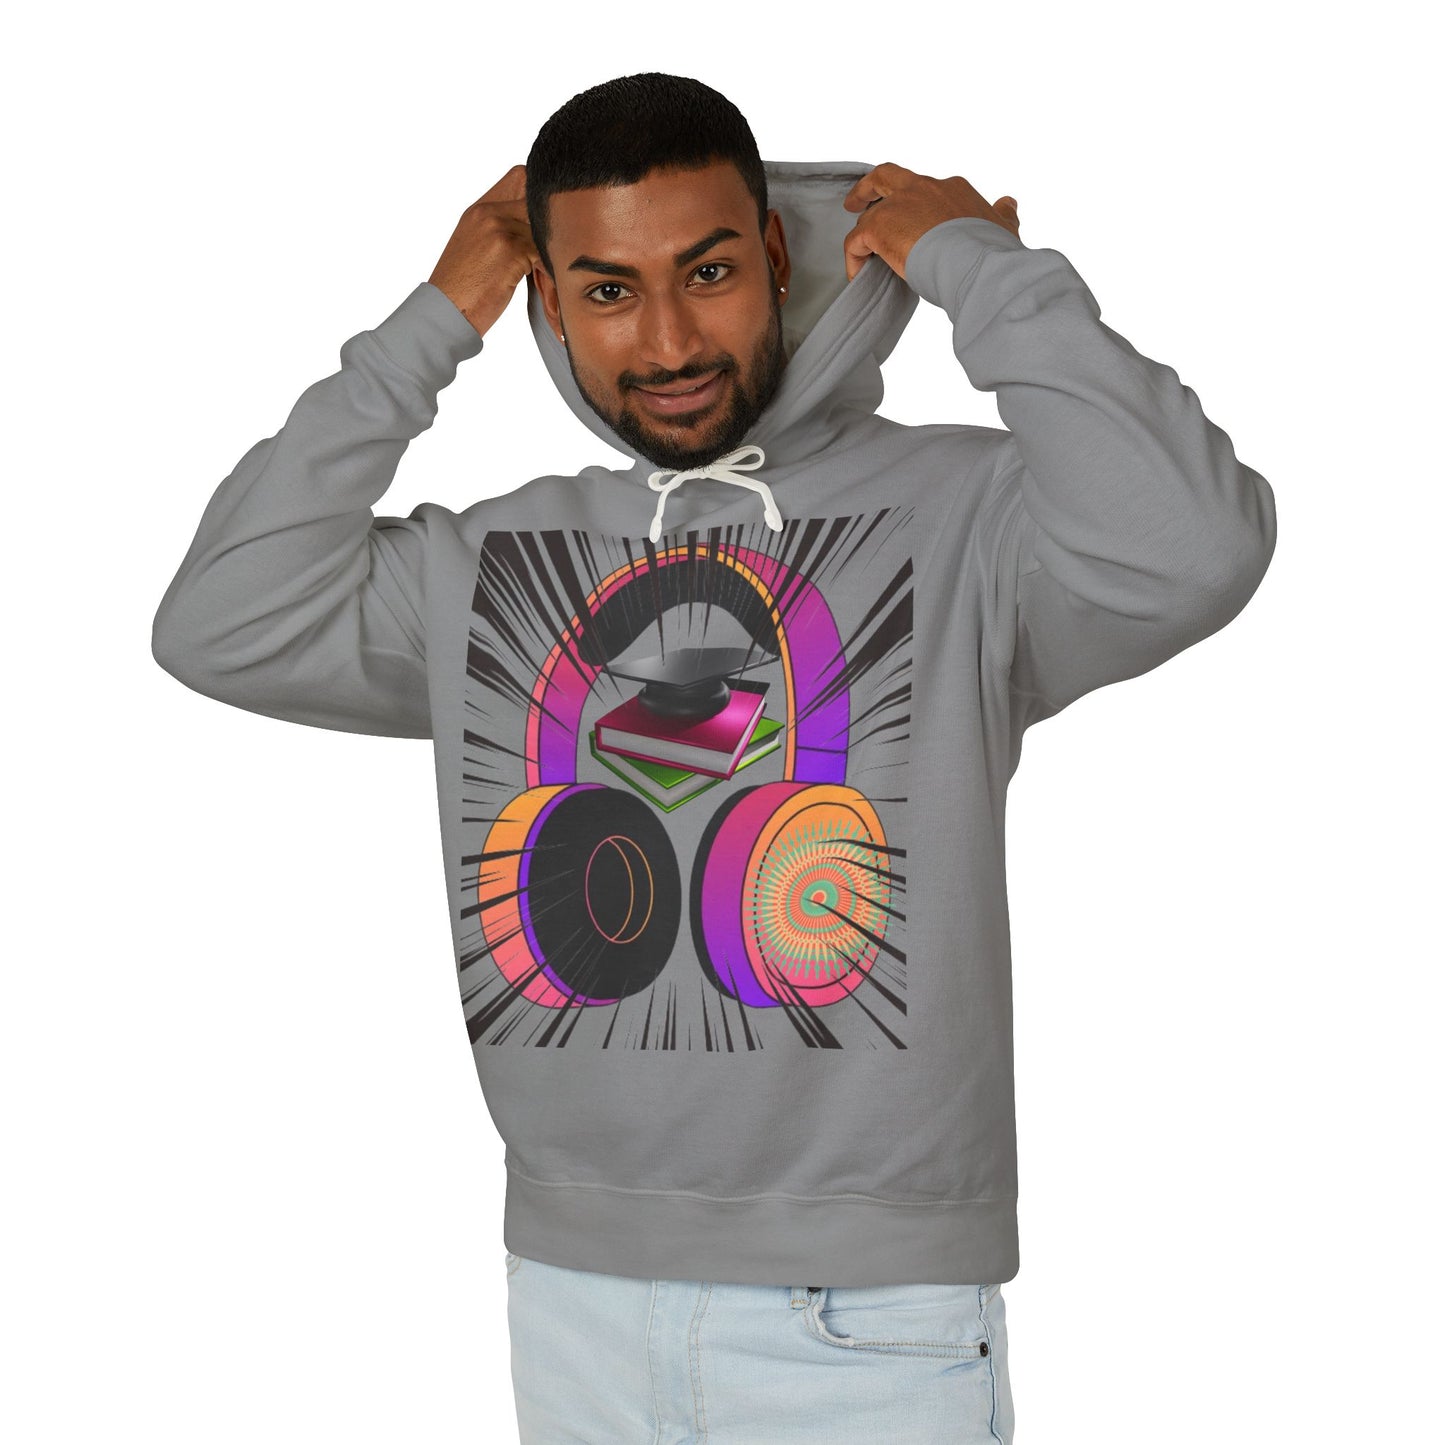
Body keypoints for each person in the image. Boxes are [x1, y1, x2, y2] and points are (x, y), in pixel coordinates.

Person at [152, 71, 1276, 1445]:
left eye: (709, 270)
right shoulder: (495, 561)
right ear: (549, 303)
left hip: (866, 1314)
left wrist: (978, 268)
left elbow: (1192, 543)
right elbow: (217, 622)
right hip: (573, 1298)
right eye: (609, 290)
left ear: (778, 258)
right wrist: (428, 325)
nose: (670, 339)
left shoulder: (966, 521)